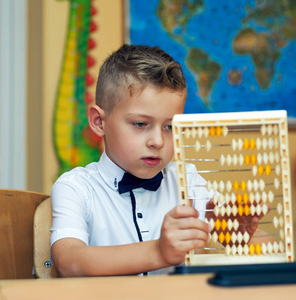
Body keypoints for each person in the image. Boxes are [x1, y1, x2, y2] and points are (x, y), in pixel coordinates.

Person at [50, 44, 265, 277]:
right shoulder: (75, 187)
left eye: (169, 127)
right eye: (141, 124)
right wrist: (158, 252)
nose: (157, 141)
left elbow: (241, 243)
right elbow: (68, 261)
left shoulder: (188, 179)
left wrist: (238, 232)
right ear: (99, 122)